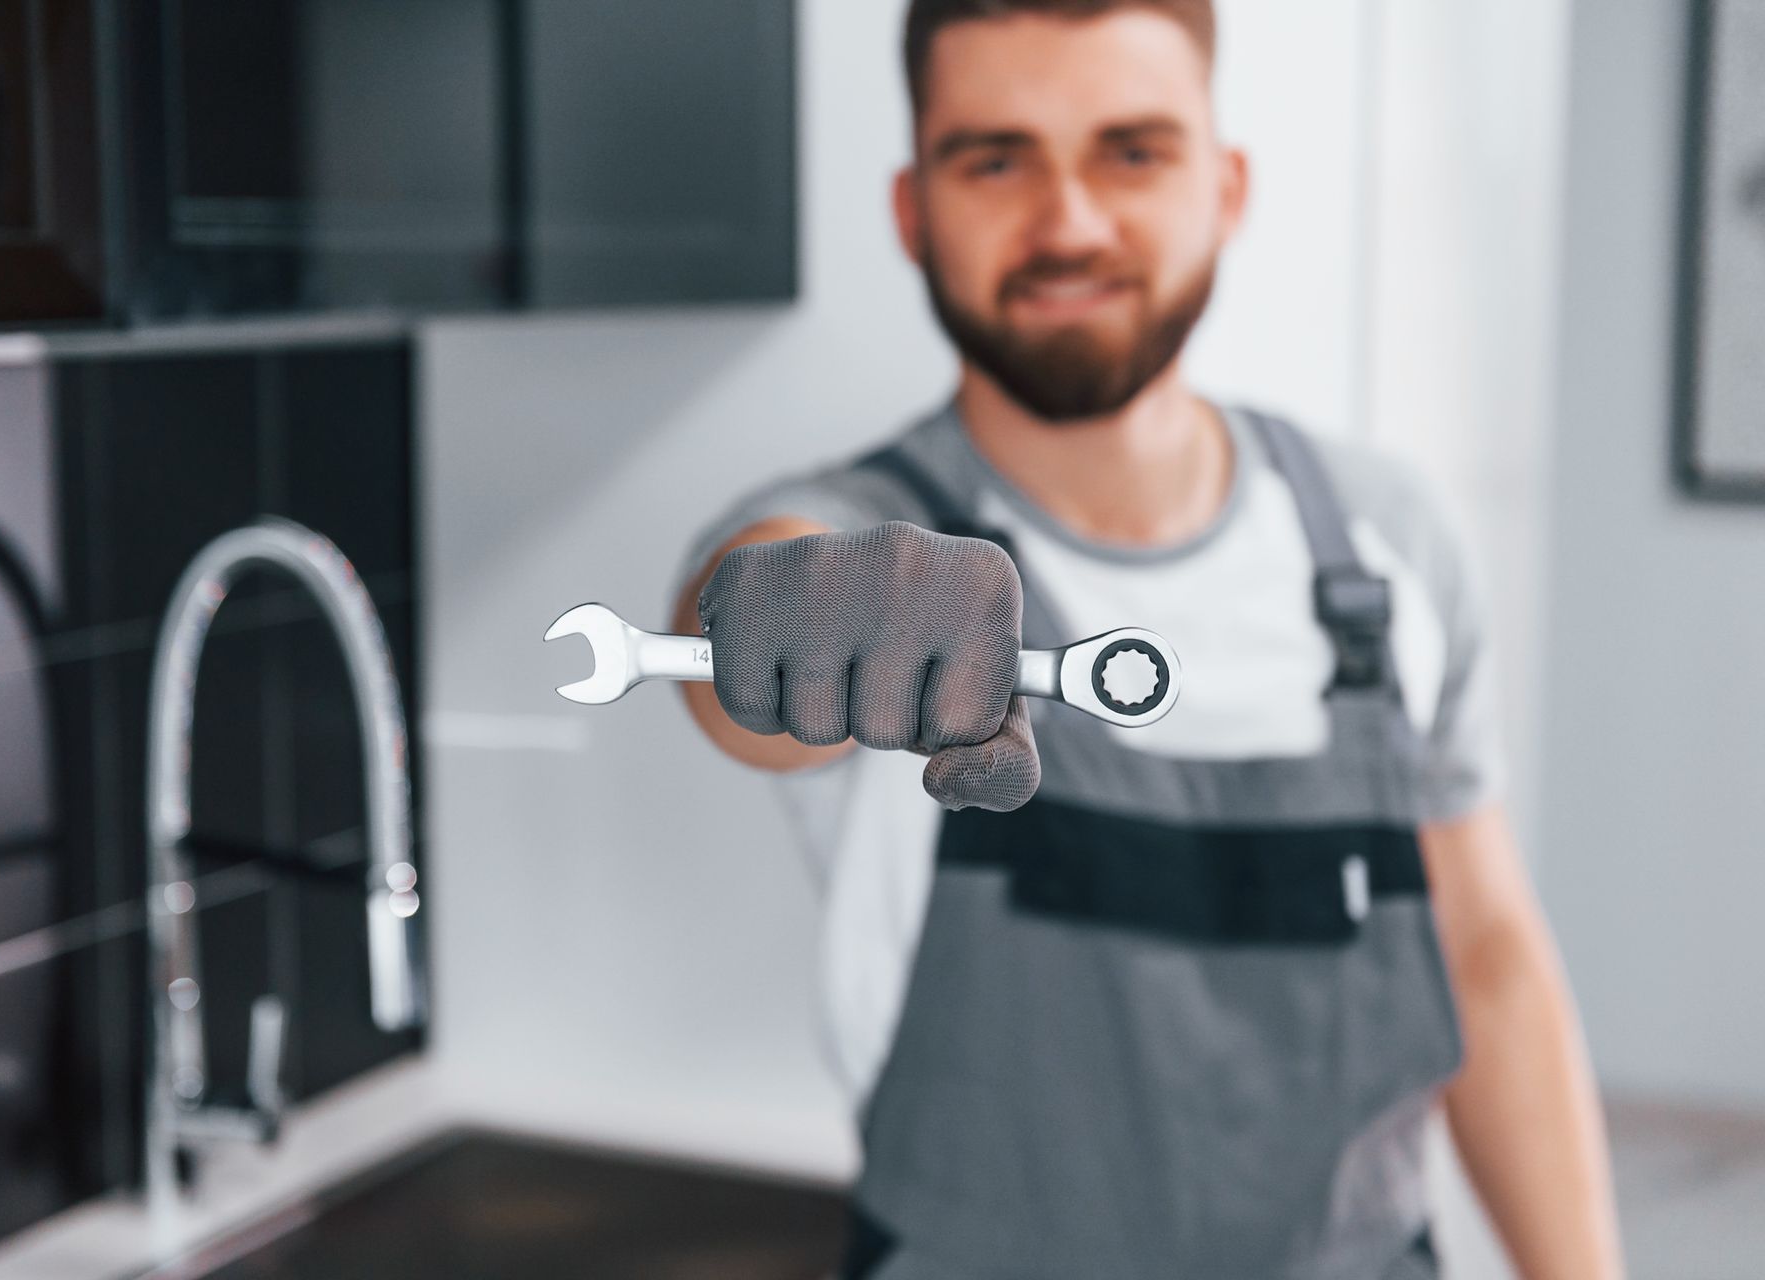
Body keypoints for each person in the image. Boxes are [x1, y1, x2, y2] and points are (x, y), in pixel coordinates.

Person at [670, 2, 1623, 1276]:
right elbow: (741, 642)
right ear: (911, 209)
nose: (1068, 223)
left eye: (1132, 152)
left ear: (1224, 189)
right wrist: (784, 616)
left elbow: (1489, 957)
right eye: (996, 159)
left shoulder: (1389, 545)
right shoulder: (867, 532)